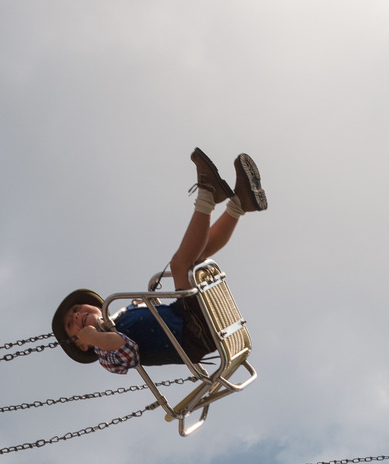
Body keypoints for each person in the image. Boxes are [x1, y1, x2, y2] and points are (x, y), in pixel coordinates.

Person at [51, 148, 267, 374]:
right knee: (180, 265)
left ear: (94, 306)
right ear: (81, 345)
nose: (76, 316)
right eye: (70, 324)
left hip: (186, 318)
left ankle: (240, 203)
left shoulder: (122, 315)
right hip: (191, 334)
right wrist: (95, 337)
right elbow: (127, 350)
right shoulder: (105, 354)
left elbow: (157, 318)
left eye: (76, 308)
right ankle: (208, 193)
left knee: (194, 260)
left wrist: (147, 302)